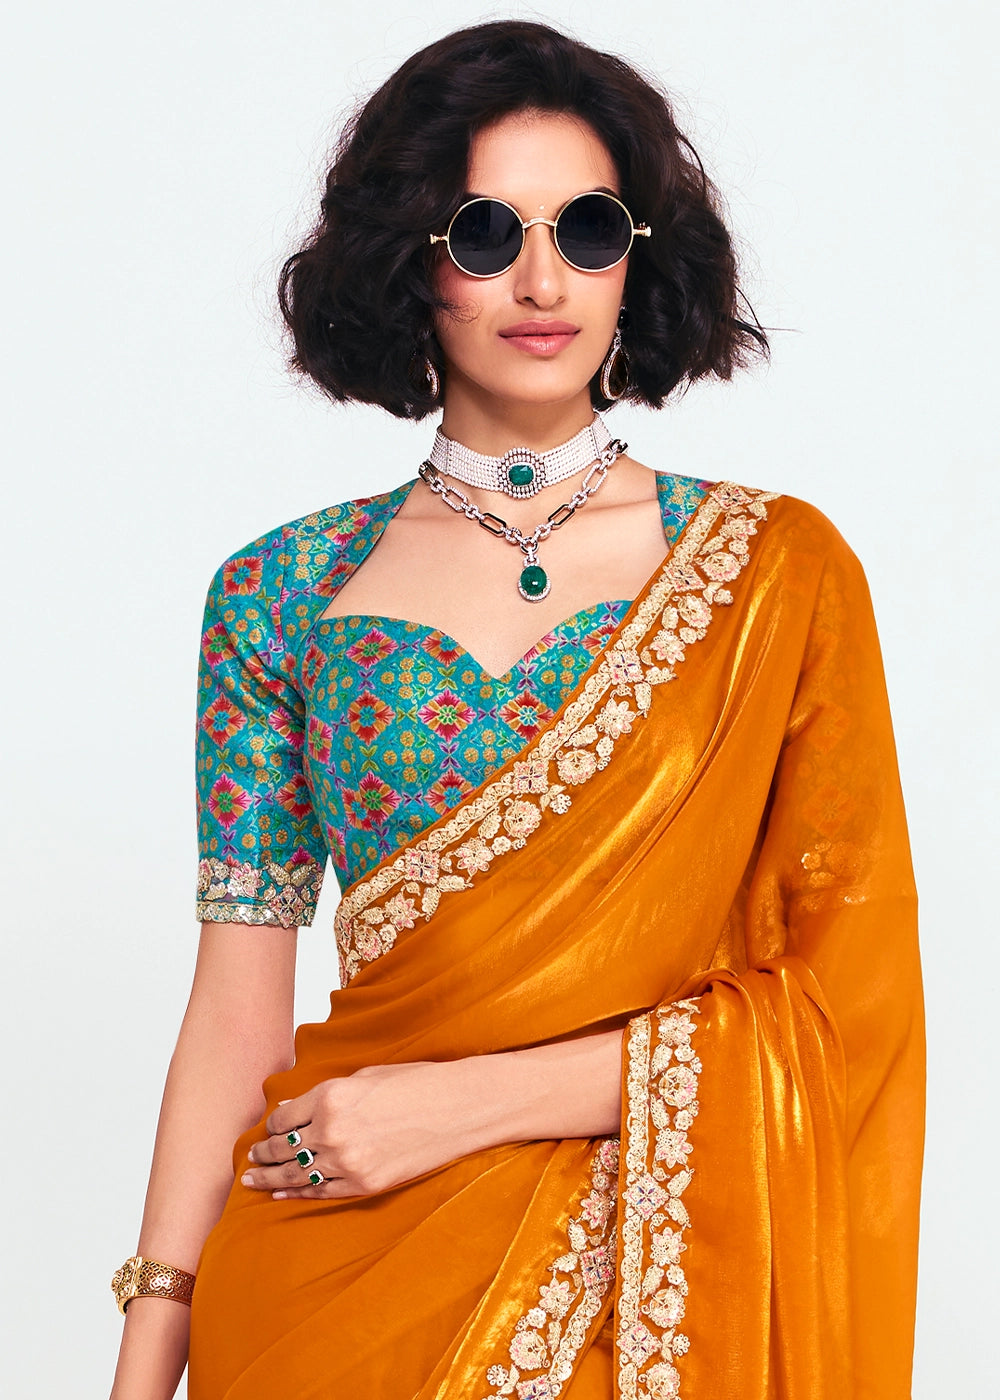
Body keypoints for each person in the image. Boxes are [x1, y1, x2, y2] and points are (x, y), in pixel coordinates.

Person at [108, 20, 924, 1400]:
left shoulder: (773, 576)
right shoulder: (281, 593)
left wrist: (466, 1104)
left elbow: (850, 1007)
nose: (542, 281)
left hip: (643, 1289)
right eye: (483, 234)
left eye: (587, 230)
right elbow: (237, 1013)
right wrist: (144, 1363)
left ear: (639, 258)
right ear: (407, 262)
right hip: (322, 1295)